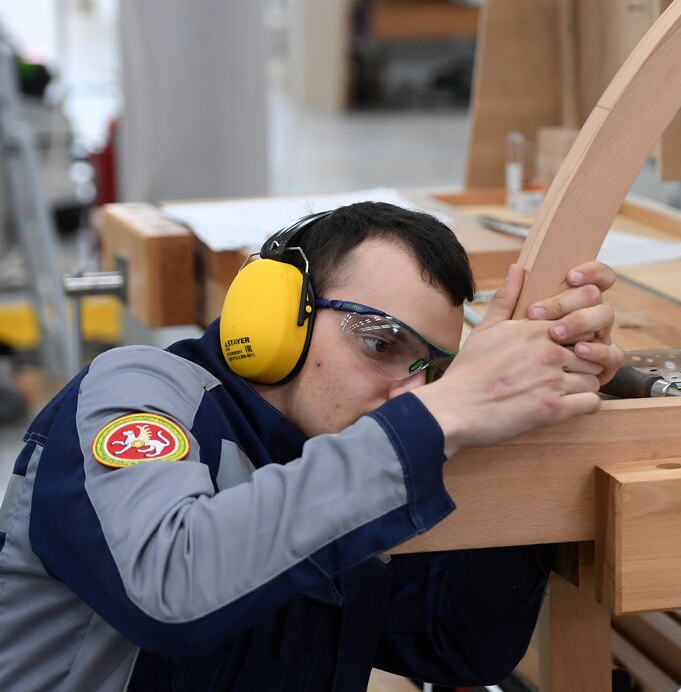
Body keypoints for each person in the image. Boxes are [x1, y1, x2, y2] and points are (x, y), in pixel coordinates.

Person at [0, 201, 622, 691]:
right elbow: (170, 588)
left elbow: (455, 641)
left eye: (432, 372)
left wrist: (522, 434)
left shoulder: (344, 458)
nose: (408, 395)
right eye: (380, 343)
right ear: (272, 313)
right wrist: (441, 412)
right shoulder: (137, 391)